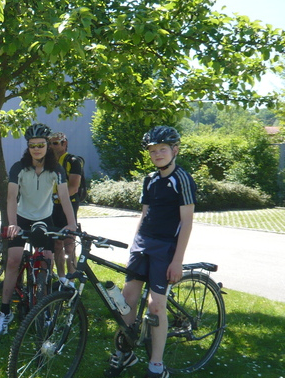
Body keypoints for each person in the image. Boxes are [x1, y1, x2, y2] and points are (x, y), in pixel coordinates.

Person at [105, 126, 196, 378]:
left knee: (156, 307)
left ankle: (157, 365)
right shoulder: (150, 179)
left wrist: (177, 261)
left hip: (166, 247)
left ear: (174, 150)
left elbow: (187, 222)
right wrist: (135, 245)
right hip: (142, 245)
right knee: (126, 302)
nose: (157, 155)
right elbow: (144, 215)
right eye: (153, 151)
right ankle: (126, 353)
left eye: (162, 150)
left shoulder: (182, 179)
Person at [0, 123, 77, 335]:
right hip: (21, 218)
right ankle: (5, 311)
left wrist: (71, 222)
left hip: (44, 219)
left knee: (46, 261)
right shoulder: (18, 168)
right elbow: (11, 197)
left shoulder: (56, 170)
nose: (37, 149)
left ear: (47, 146)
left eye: (41, 145)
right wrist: (12, 224)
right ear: (28, 147)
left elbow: (65, 198)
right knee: (13, 261)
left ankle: (45, 310)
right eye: (32, 146)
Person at [48, 131, 83, 288]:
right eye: (50, 143)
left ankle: (72, 279)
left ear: (65, 144)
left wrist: (56, 198)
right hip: (51, 207)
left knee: (69, 243)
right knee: (56, 244)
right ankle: (61, 278)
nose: (52, 146)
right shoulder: (47, 161)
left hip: (68, 205)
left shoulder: (73, 161)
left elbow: (74, 187)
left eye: (56, 143)